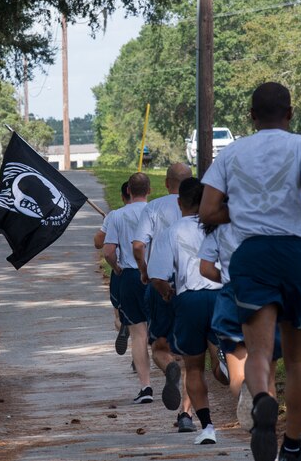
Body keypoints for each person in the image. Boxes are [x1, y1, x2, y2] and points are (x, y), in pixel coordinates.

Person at [199, 82, 301, 461]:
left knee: (258, 353)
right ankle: (292, 445)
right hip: (295, 254)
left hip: (251, 256)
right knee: (297, 358)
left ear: (251, 116)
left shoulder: (232, 154)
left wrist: (240, 211)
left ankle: (261, 399)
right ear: (290, 114)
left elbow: (208, 212)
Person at [148, 177, 223, 445]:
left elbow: (157, 276)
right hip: (220, 296)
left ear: (180, 203)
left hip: (189, 299)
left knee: (193, 368)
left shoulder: (173, 231)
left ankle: (207, 427)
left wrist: (166, 292)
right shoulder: (219, 227)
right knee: (220, 360)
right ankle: (224, 361)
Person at [132, 163, 197, 431]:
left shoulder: (154, 207)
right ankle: (186, 415)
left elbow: (138, 245)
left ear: (167, 183)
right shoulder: (201, 209)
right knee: (194, 356)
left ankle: (168, 365)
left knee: (160, 347)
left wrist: (144, 271)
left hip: (161, 284)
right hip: (194, 284)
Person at [198, 222, 280, 431]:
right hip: (265, 295)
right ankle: (267, 428)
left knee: (237, 374)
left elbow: (205, 268)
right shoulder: (267, 222)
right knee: (268, 373)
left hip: (232, 295)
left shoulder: (218, 227)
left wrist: (227, 279)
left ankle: (246, 392)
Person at [103, 173, 153, 403]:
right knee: (163, 329)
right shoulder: (157, 211)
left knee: (138, 333)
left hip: (132, 276)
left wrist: (117, 267)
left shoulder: (117, 215)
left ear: (128, 192)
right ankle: (171, 364)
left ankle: (146, 387)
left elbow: (108, 251)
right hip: (158, 275)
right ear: (149, 190)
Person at [94, 182, 131, 354]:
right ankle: (139, 353)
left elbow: (98, 243)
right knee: (144, 318)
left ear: (123, 196)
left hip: (122, 272)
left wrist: (108, 227)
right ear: (147, 191)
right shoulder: (153, 211)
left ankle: (123, 326)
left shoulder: (114, 216)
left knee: (119, 313)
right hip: (147, 271)